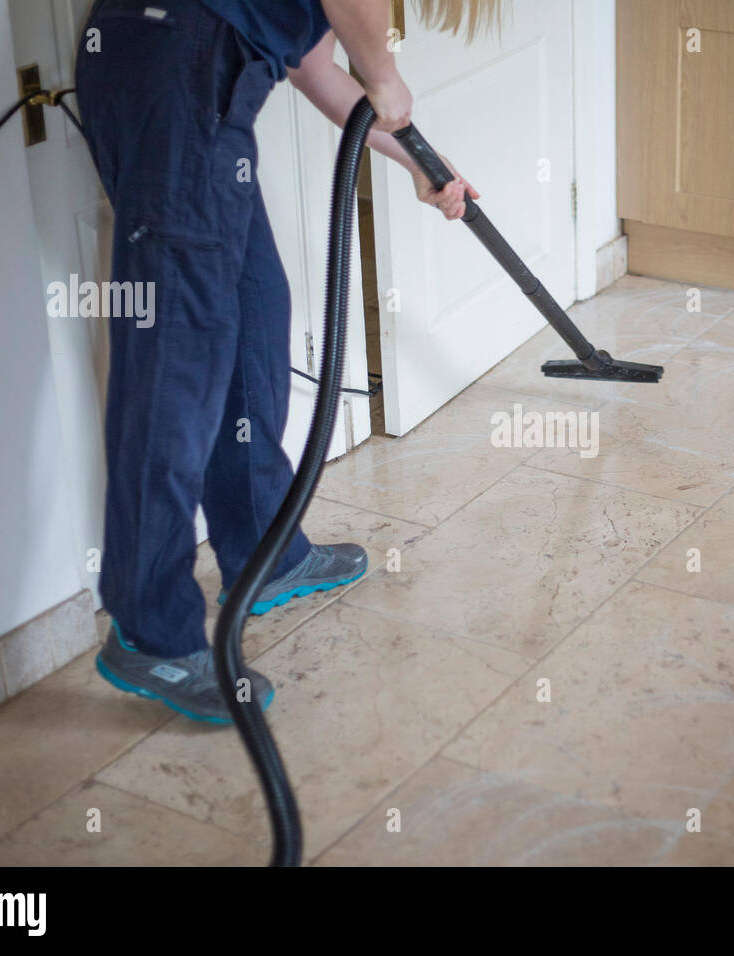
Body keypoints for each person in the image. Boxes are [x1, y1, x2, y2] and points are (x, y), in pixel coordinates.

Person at [77, 0, 490, 722]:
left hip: (186, 76)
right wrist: (385, 76)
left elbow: (309, 65)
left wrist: (419, 163)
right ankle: (149, 628)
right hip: (175, 78)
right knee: (178, 359)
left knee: (255, 309)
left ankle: (265, 549)